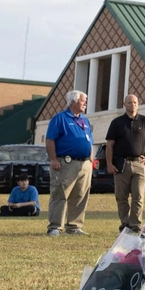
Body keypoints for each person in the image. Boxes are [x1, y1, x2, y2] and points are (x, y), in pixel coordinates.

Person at [106, 94, 145, 233]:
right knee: (121, 197)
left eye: (135, 102)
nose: (133, 105)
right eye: (130, 103)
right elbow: (109, 145)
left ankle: (135, 225)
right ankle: (125, 224)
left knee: (138, 196)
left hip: (139, 164)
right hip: (121, 164)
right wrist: (109, 163)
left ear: (138, 104)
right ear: (124, 104)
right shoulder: (117, 122)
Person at [45, 88, 95, 237]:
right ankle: (55, 227)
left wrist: (91, 158)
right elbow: (50, 140)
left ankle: (74, 226)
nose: (85, 103)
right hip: (66, 162)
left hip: (84, 163)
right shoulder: (60, 118)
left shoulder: (84, 120)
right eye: (82, 100)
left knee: (80, 195)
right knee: (60, 193)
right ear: (73, 101)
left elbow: (90, 141)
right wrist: (53, 159)